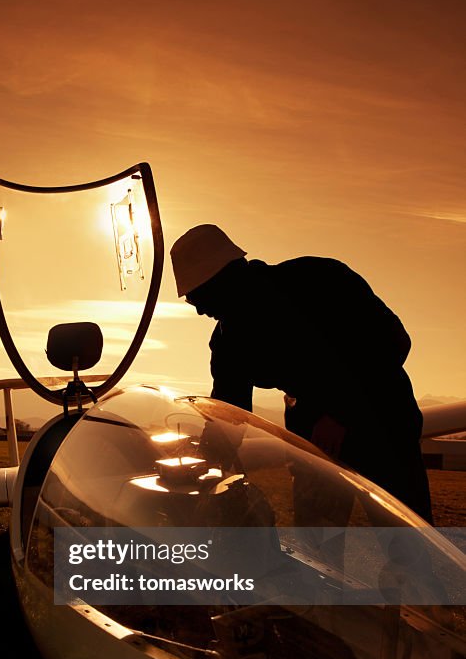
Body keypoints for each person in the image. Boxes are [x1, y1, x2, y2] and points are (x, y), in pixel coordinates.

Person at [170, 224, 433, 522]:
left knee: (409, 542)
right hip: (316, 446)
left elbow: (392, 341)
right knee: (317, 546)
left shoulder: (320, 280)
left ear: (224, 279)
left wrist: (340, 414)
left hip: (382, 427)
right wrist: (205, 455)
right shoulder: (229, 341)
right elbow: (229, 413)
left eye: (198, 299)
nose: (200, 312)